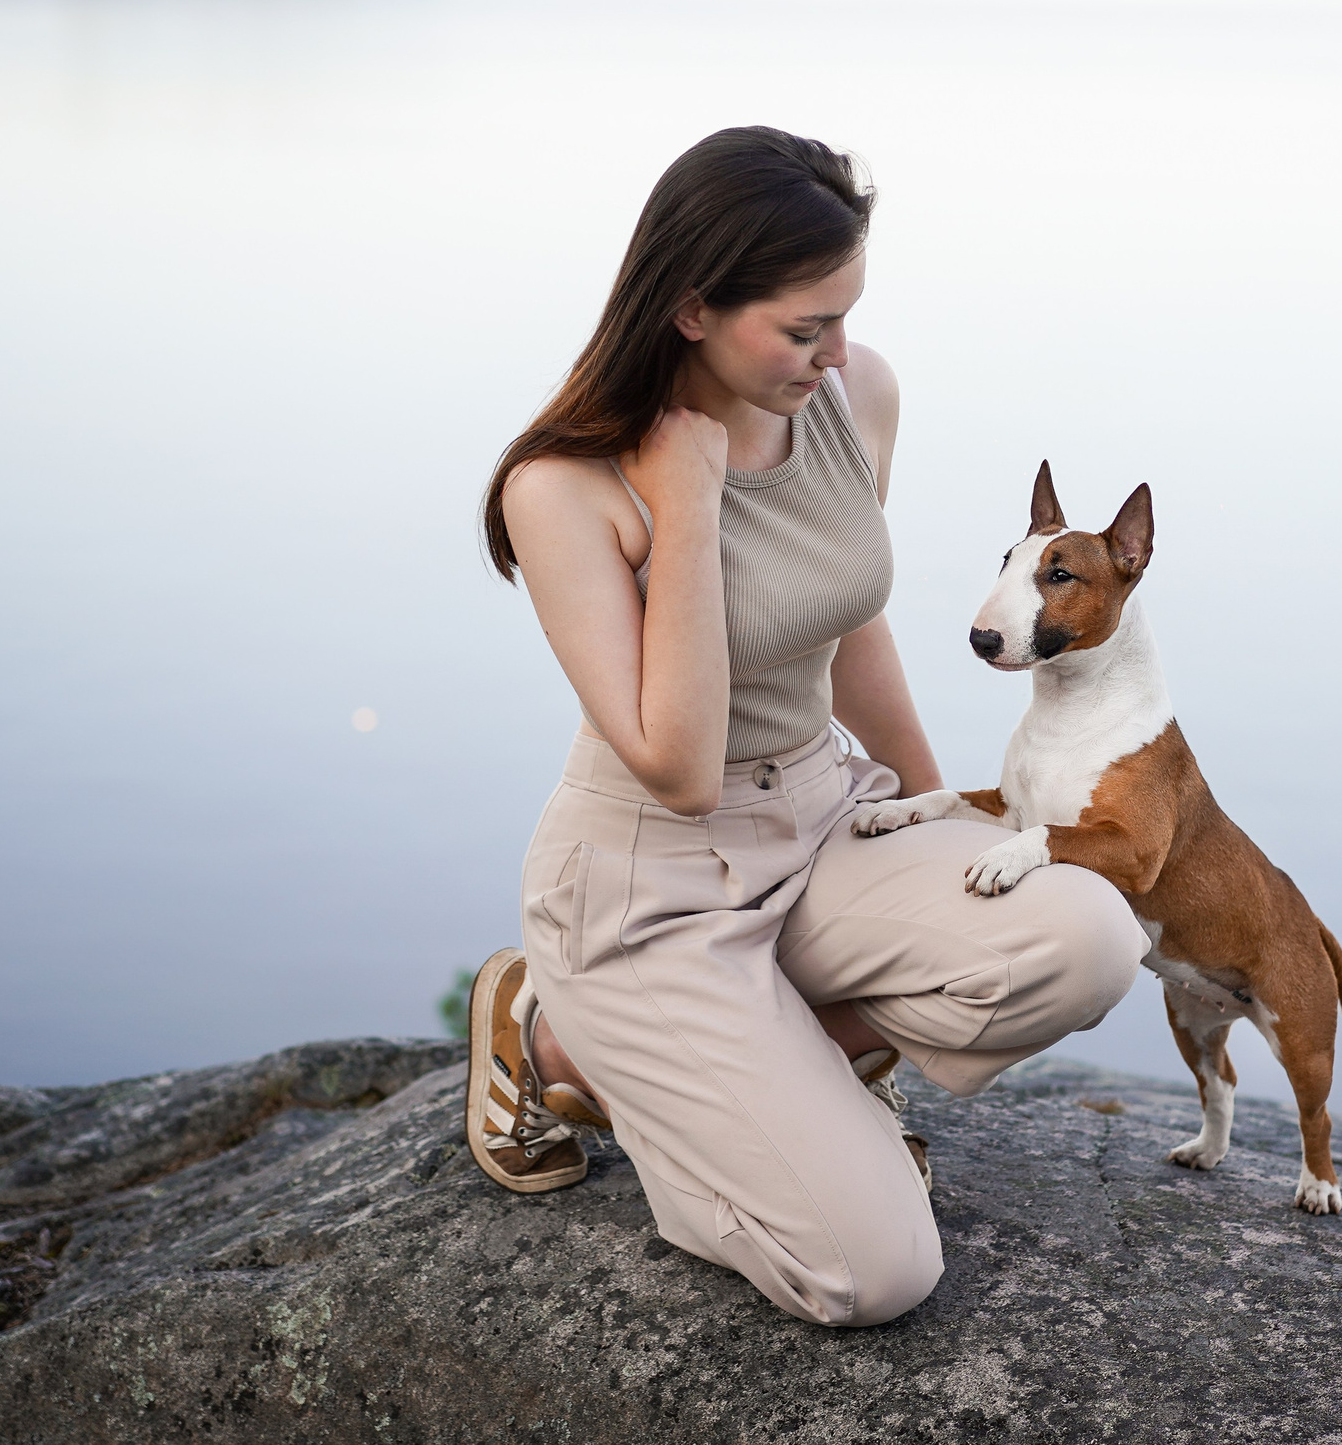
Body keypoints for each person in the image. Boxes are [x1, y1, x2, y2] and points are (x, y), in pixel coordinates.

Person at [464, 126, 1147, 1328]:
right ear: (688, 309)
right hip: (653, 881)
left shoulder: (852, 396)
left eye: (845, 316)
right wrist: (687, 499)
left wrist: (946, 827)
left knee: (1087, 933)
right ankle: (557, 1039)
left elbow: (847, 626)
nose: (835, 356)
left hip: (829, 813)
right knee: (874, 1272)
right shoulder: (560, 490)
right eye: (802, 327)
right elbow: (674, 766)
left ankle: (735, 1068)